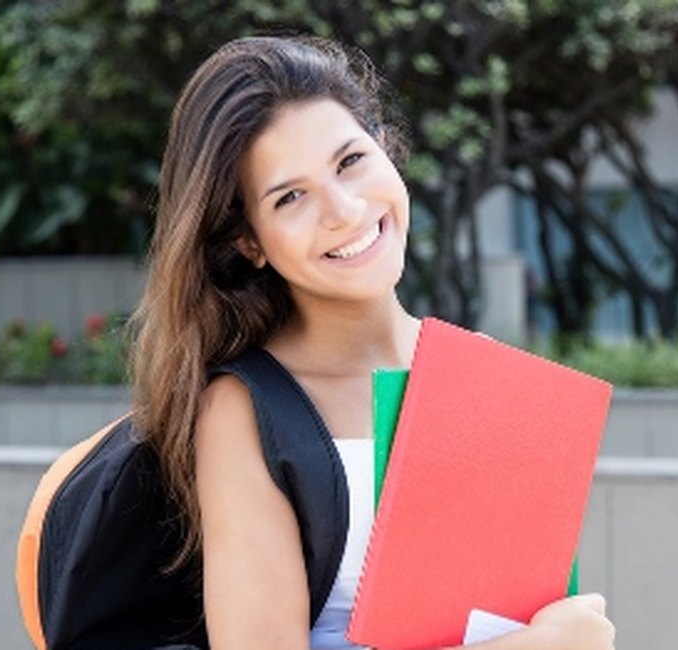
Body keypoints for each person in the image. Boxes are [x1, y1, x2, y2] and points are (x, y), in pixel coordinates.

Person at [129, 35, 617, 649]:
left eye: (351, 160)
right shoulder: (248, 412)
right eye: (290, 197)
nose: (344, 209)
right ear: (248, 241)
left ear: (386, 149)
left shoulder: (489, 379)